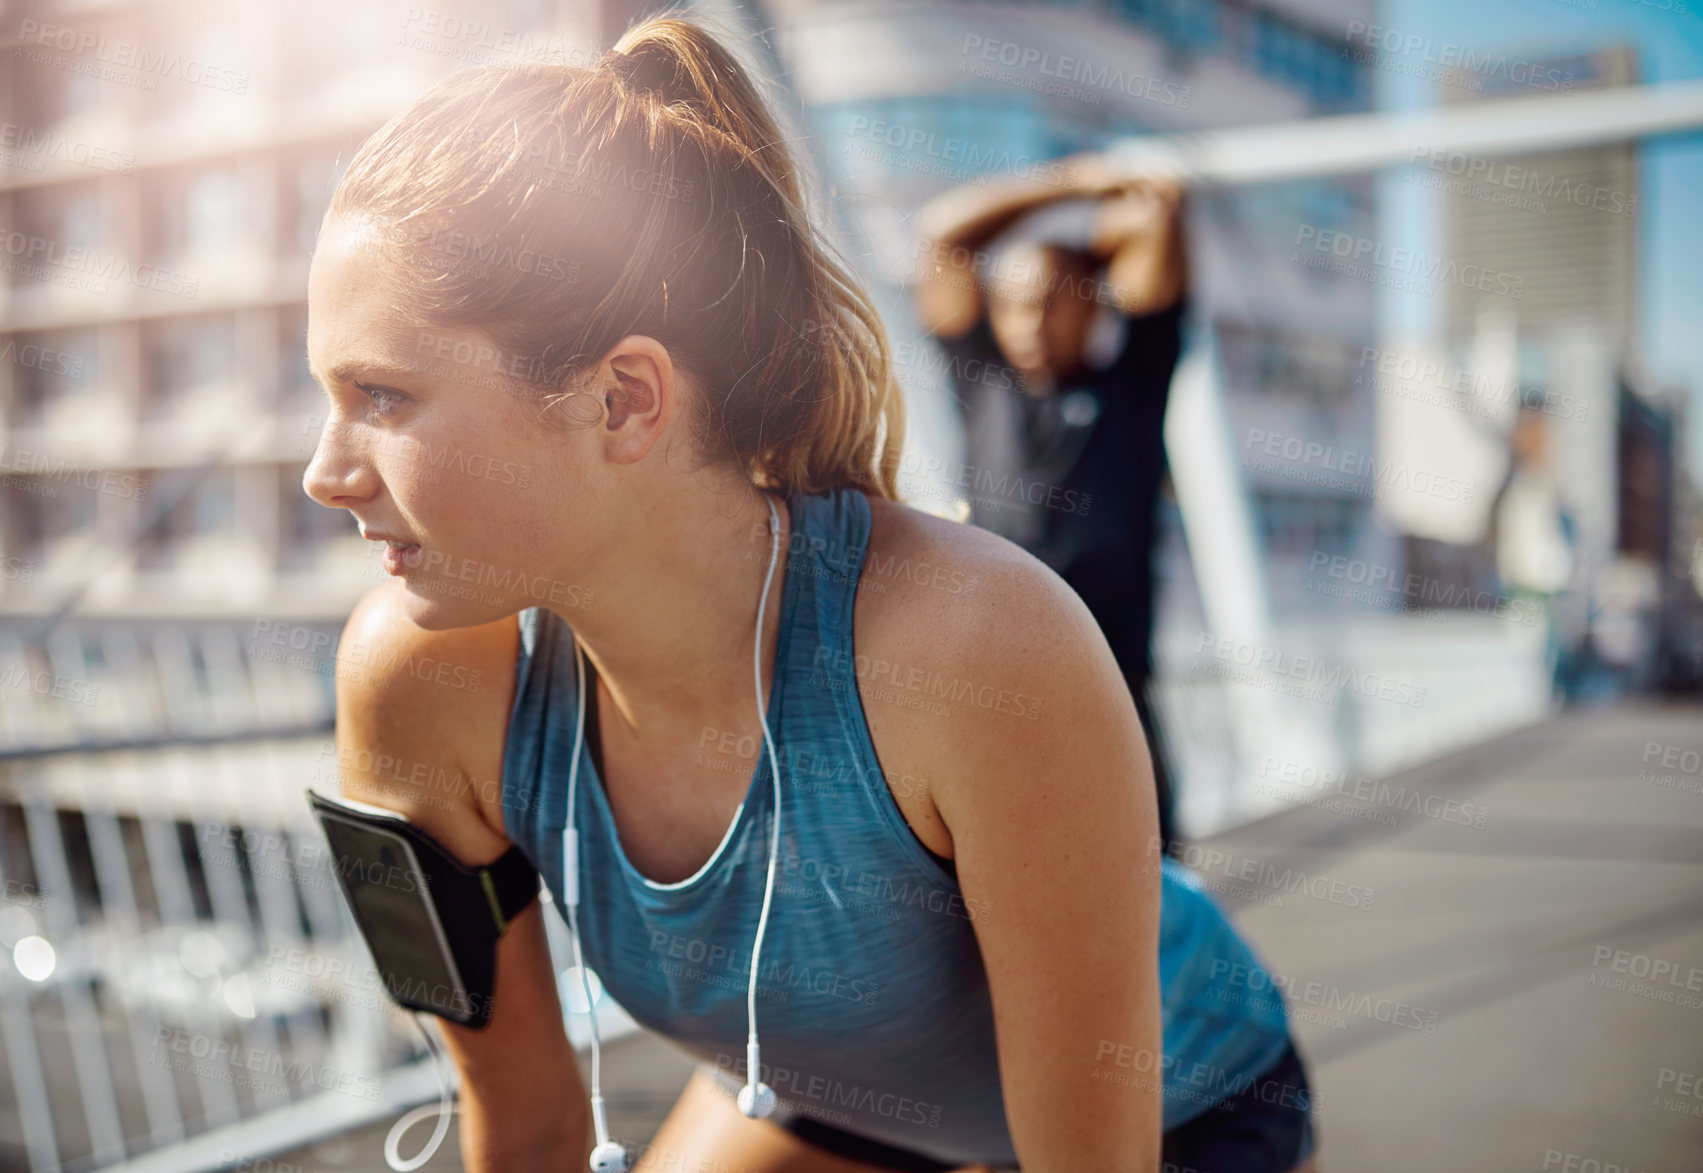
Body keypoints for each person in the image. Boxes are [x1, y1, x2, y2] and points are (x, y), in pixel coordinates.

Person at [302, 13, 1317, 1173]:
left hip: (1186, 1106)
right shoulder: (416, 685)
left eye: (381, 395)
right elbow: (523, 1130)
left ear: (624, 401)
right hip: (819, 1085)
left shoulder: (982, 655)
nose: (323, 473)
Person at [913, 164, 1188, 852]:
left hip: (1112, 700)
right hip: (989, 699)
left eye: (1050, 302)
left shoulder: (1133, 381)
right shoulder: (981, 379)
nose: (1027, 322)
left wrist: (1078, 260)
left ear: (1092, 306)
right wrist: (1074, 184)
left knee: (1149, 902)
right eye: (1010, 304)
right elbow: (943, 235)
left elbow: (1157, 216)